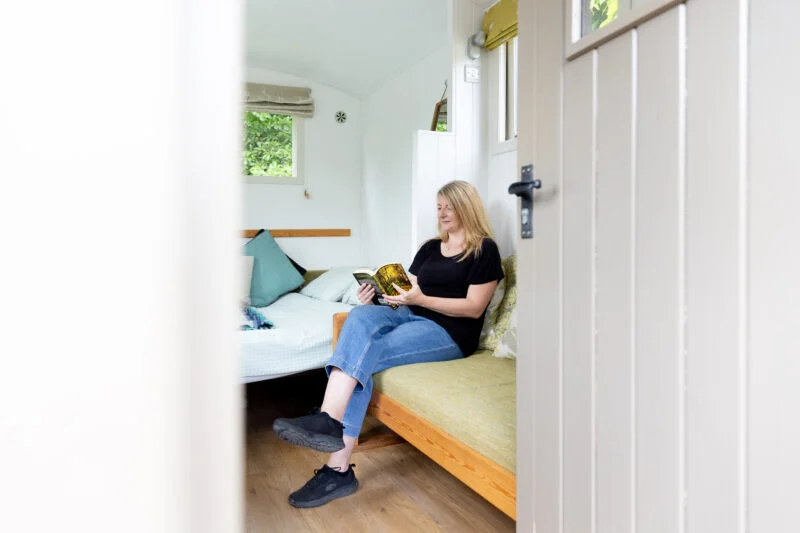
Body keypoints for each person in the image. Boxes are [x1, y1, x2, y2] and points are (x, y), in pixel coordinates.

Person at [272, 180, 504, 508]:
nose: (442, 213)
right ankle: (328, 424)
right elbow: (407, 294)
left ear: (466, 206)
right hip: (409, 314)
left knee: (368, 353)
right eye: (438, 207)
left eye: (448, 206)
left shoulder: (484, 250)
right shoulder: (429, 248)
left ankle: (335, 465)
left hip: (448, 332)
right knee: (359, 317)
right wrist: (378, 297)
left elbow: (474, 307)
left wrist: (421, 298)